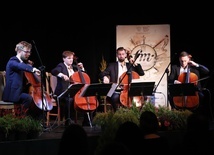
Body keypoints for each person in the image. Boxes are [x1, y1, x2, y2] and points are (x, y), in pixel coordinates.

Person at [2, 41, 41, 119]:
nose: (28, 54)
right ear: (19, 51)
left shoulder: (23, 63)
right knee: (28, 98)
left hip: (18, 93)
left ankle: (22, 118)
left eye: (29, 52)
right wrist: (32, 69)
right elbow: (19, 66)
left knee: (30, 99)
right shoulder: (12, 61)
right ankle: (20, 118)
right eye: (26, 52)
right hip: (11, 94)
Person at [99, 47, 145, 112]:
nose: (121, 56)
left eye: (123, 54)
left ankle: (133, 115)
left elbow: (141, 73)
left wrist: (134, 63)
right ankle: (118, 114)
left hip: (128, 89)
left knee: (143, 98)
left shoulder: (130, 65)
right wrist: (104, 77)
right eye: (119, 54)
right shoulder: (112, 65)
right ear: (117, 55)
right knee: (114, 97)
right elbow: (101, 74)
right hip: (114, 88)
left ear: (126, 55)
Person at [51, 50, 90, 126]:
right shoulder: (61, 66)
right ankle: (68, 121)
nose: (71, 60)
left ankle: (86, 121)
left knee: (88, 97)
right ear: (64, 59)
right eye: (69, 58)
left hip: (74, 92)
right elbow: (54, 71)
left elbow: (84, 77)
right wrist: (62, 75)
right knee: (69, 100)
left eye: (72, 58)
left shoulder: (75, 67)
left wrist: (82, 68)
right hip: (63, 92)